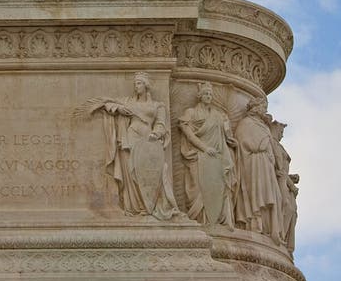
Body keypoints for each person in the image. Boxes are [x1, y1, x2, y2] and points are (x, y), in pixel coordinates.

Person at [80, 72, 179, 219]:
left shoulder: (158, 106)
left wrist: (156, 134)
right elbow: (107, 103)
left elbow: (161, 125)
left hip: (149, 140)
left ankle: (149, 205)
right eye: (135, 84)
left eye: (139, 83)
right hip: (130, 138)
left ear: (146, 86)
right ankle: (135, 207)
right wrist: (118, 109)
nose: (136, 86)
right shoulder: (128, 102)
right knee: (131, 172)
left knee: (150, 172)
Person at [178, 81, 237, 229]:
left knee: (219, 186)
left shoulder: (218, 115)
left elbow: (226, 137)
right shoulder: (191, 113)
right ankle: (199, 220)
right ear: (200, 96)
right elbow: (189, 135)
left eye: (210, 94)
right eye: (205, 93)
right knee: (197, 188)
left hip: (216, 157)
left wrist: (227, 126)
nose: (208, 96)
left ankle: (219, 221)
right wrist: (204, 148)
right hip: (198, 156)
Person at [234, 97, 283, 244]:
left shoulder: (263, 126)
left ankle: (269, 228)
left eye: (265, 107)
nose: (265, 110)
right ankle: (255, 224)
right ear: (255, 108)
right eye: (263, 107)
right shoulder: (246, 123)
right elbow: (245, 143)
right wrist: (263, 142)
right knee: (257, 194)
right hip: (253, 163)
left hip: (265, 165)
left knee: (272, 196)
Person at [269, 119, 299, 254]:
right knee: (286, 206)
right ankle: (279, 235)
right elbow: (279, 169)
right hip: (281, 181)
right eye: (281, 131)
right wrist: (291, 185)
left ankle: (283, 240)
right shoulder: (273, 144)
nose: (282, 135)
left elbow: (282, 170)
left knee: (291, 210)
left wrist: (290, 178)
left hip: (284, 181)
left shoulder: (277, 145)